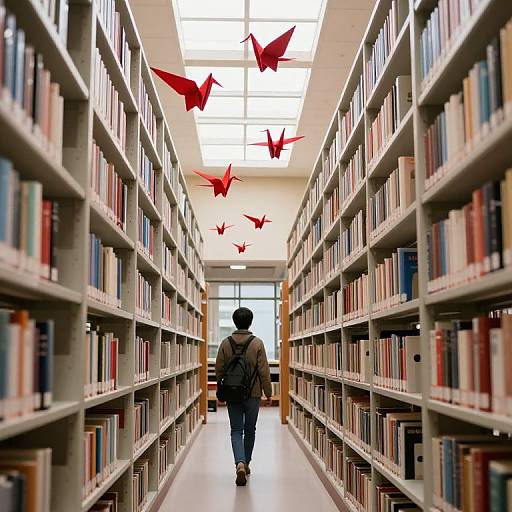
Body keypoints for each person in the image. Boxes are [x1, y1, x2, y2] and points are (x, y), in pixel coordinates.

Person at [215, 307, 273, 486]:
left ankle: (239, 462)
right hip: (253, 393)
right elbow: (264, 371)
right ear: (250, 322)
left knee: (235, 430)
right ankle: (246, 463)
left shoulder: (225, 343)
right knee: (250, 430)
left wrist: (221, 391)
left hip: (232, 394)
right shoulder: (257, 343)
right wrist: (268, 393)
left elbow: (219, 370)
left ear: (234, 321)